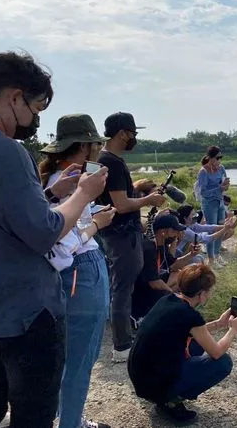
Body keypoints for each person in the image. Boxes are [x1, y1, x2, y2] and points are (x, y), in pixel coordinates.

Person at [0, 51, 108, 428]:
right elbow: (44, 231)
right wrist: (82, 194)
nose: (33, 119)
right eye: (34, 107)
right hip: (25, 312)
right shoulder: (6, 151)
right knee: (33, 413)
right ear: (15, 98)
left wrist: (47, 194)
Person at [39, 114, 116, 428]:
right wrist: (98, 224)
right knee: (80, 361)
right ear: (85, 146)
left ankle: (66, 418)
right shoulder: (72, 185)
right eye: (95, 144)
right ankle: (71, 423)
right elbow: (64, 243)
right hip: (80, 274)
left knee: (65, 359)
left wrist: (91, 211)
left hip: (64, 279)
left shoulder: (53, 182)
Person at [128, 263, 237, 423]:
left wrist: (218, 323)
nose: (210, 294)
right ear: (201, 294)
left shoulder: (168, 300)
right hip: (152, 384)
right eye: (209, 291)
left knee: (196, 343)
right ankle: (169, 400)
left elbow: (191, 331)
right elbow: (216, 352)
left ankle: (168, 391)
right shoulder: (189, 316)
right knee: (223, 362)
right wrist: (233, 330)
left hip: (141, 376)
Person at [95, 112, 167, 362]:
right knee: (122, 289)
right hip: (121, 235)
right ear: (123, 133)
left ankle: (124, 339)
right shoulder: (111, 162)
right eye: (133, 133)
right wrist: (149, 200)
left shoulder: (104, 159)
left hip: (115, 234)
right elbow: (121, 204)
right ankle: (122, 345)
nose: (134, 138)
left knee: (122, 286)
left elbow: (115, 196)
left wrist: (137, 190)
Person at [131, 210, 201, 325]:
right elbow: (154, 282)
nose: (175, 235)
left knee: (179, 275)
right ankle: (147, 314)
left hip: (151, 286)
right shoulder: (149, 248)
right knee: (171, 291)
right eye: (174, 231)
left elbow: (173, 265)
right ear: (163, 232)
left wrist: (191, 254)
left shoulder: (160, 245)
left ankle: (170, 303)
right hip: (141, 292)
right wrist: (173, 295)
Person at [194, 146, 229, 267]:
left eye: (221, 157)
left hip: (220, 202)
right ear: (210, 158)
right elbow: (203, 192)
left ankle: (217, 254)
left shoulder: (221, 168)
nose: (219, 160)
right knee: (211, 229)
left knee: (221, 227)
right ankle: (211, 259)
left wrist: (225, 186)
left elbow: (225, 185)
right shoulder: (203, 172)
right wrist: (219, 188)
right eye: (217, 157)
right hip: (209, 204)